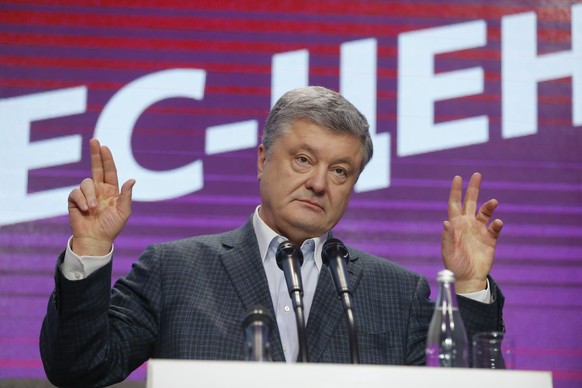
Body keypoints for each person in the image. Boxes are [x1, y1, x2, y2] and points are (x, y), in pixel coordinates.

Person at [40, 86, 504, 387]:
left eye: (340, 170)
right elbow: (78, 369)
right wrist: (91, 250)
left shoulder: (396, 291)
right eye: (303, 159)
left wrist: (469, 288)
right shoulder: (173, 269)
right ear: (263, 159)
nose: (320, 183)